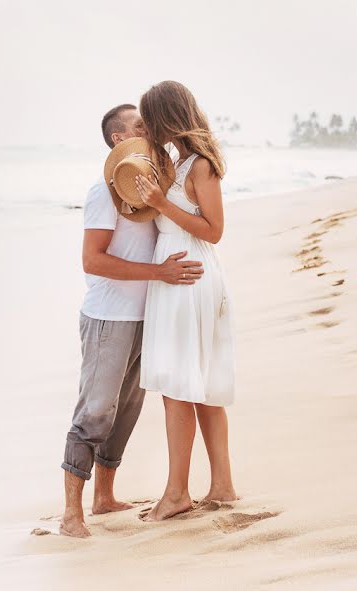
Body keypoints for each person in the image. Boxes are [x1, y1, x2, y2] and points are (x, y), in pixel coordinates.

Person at [60, 103, 205, 537]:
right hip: (109, 316)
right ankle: (71, 512)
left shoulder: (148, 187)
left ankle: (104, 497)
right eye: (141, 126)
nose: (151, 130)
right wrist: (159, 273)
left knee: (126, 411)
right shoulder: (103, 191)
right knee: (96, 412)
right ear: (119, 140)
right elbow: (93, 260)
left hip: (149, 314)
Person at [134, 81, 238, 521]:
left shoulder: (201, 165)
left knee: (181, 387)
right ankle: (222, 486)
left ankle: (178, 493)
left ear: (166, 117)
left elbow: (214, 230)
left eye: (149, 119)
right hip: (177, 273)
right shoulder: (176, 162)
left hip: (191, 274)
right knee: (196, 386)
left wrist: (161, 202)